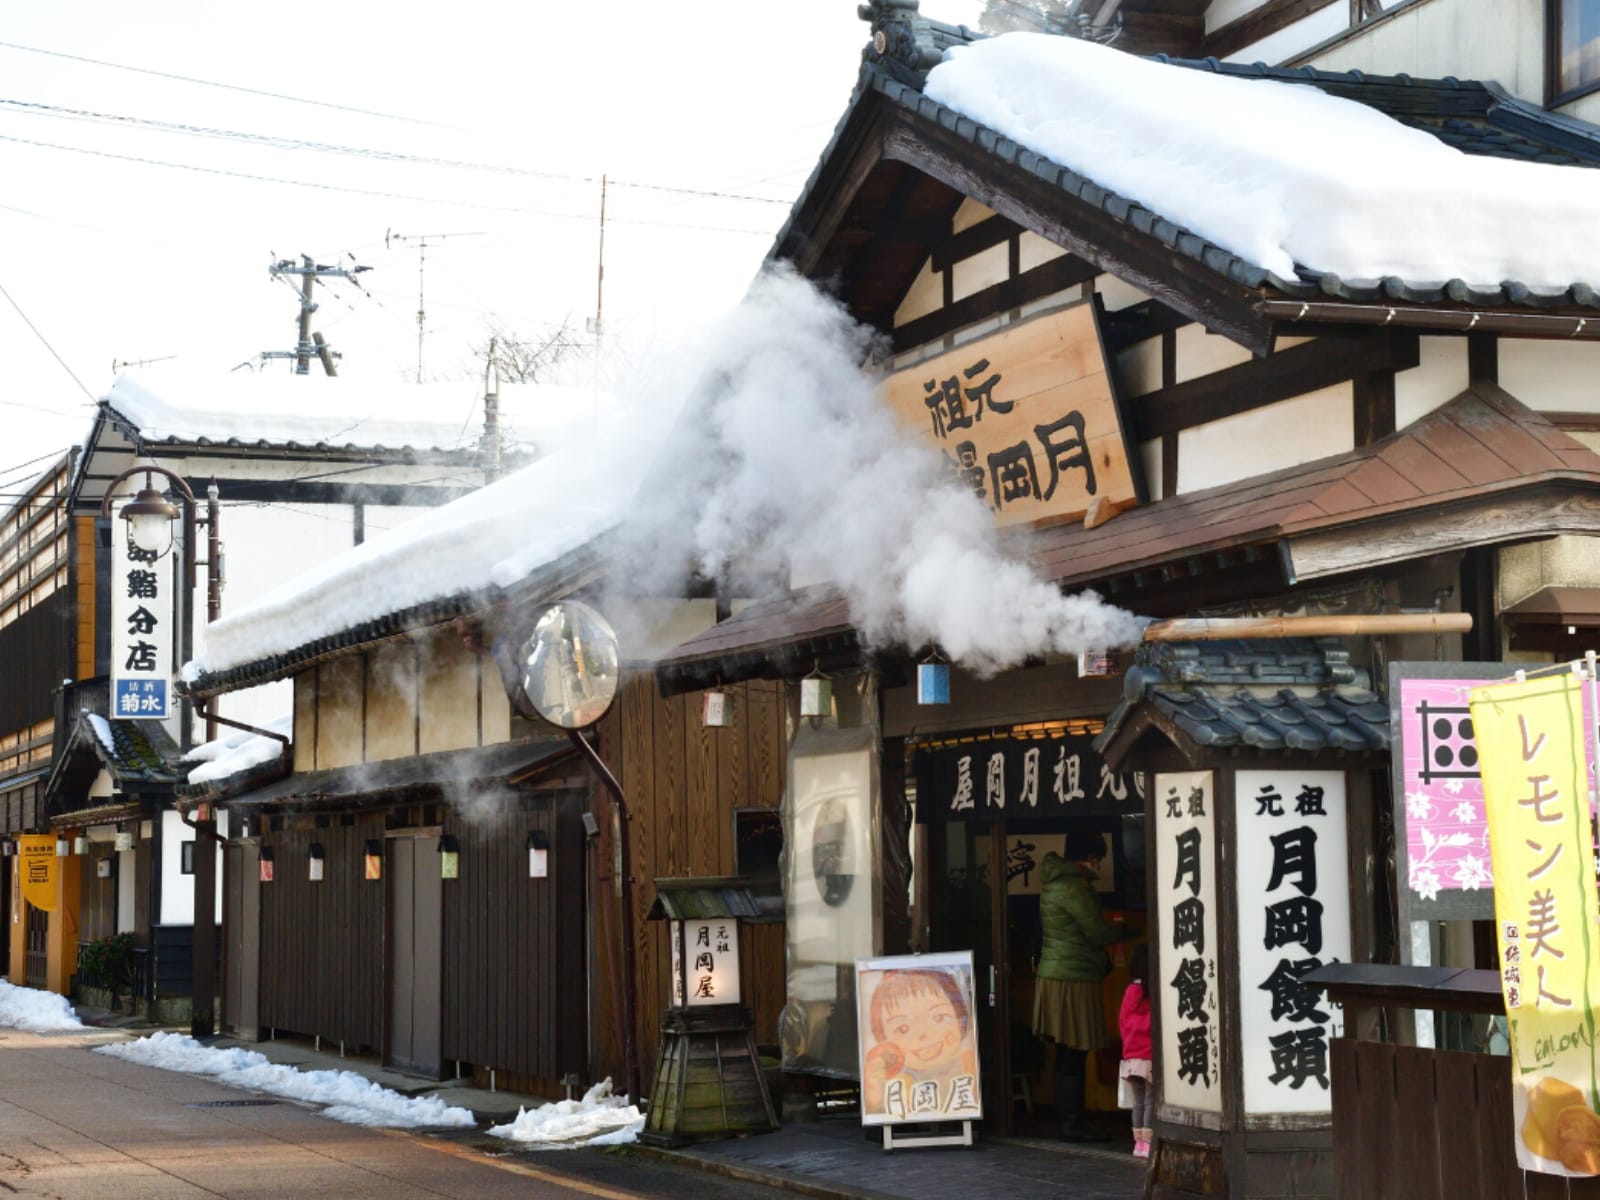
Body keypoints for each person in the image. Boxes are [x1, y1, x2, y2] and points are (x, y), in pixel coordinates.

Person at [1033, 829, 1126, 1142]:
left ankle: (1070, 1120)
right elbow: (1097, 932)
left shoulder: (1055, 883)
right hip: (1073, 979)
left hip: (1057, 975)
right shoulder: (1076, 887)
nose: (1098, 864)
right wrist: (1124, 929)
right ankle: (1072, 1124)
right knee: (1074, 1053)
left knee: (1065, 1053)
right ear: (1090, 857)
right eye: (1098, 858)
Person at [862, 968, 978, 1118]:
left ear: (959, 1017)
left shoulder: (969, 1065)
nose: (923, 1035)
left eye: (939, 1018)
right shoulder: (894, 1081)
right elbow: (877, 1110)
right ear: (884, 1040)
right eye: (903, 1028)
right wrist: (873, 1092)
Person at [1119, 942, 1154, 1159]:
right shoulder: (1150, 992)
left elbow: (1123, 1021)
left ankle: (1138, 1144)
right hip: (1149, 1056)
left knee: (1138, 1101)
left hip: (1131, 1056)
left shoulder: (1130, 991)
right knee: (1150, 1100)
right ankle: (1149, 1144)